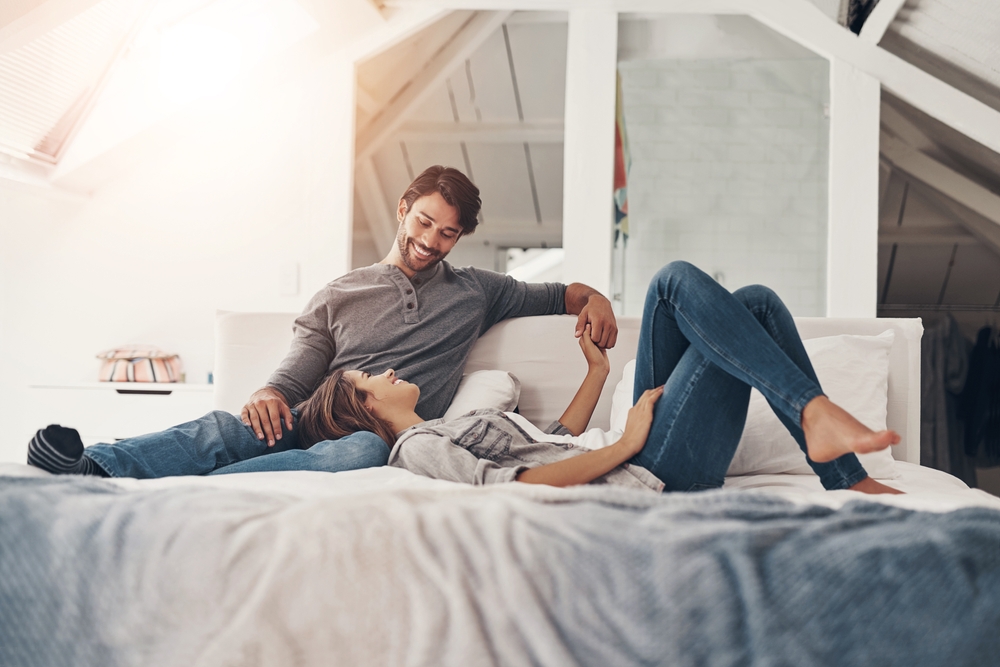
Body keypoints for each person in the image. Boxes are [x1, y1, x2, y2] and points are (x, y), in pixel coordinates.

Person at [25, 165, 616, 479]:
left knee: (356, 453)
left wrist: (597, 302)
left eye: (448, 233)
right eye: (426, 222)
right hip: (311, 420)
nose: (431, 241)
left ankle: (206, 484)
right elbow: (295, 372)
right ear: (404, 208)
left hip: (377, 440)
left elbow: (567, 293)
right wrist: (268, 394)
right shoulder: (340, 292)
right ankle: (95, 466)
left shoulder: (478, 292)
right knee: (225, 430)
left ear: (460, 237)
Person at [290, 261, 902, 495]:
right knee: (676, 283)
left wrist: (599, 372)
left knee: (758, 298)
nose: (390, 370)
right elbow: (524, 482)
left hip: (619, 456)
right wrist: (625, 444)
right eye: (375, 377)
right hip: (646, 475)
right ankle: (834, 456)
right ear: (367, 409)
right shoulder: (418, 450)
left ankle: (834, 455)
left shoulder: (442, 428)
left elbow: (552, 439)